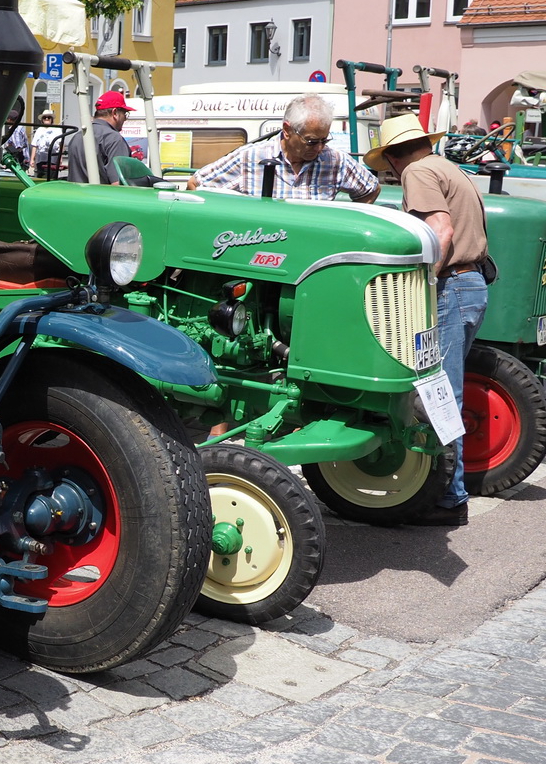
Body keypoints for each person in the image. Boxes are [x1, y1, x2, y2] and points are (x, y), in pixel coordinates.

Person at [370, 112, 491, 527]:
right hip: (471, 284)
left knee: (440, 395)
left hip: (451, 287)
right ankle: (448, 490)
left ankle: (449, 498)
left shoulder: (417, 173)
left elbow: (441, 229)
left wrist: (422, 283)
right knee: (444, 391)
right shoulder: (447, 166)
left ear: (391, 158)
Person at [189, 94, 379, 202]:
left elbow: (371, 189)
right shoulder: (249, 157)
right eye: (312, 141)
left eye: (325, 140)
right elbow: (196, 185)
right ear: (287, 130)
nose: (320, 148)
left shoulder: (336, 161)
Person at [66, 90, 135, 184]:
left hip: (76, 196)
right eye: (125, 114)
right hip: (102, 197)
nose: (125, 119)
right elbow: (118, 184)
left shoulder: (78, 136)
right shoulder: (114, 139)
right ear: (115, 113)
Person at [31, 109, 65, 175]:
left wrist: (60, 158)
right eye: (44, 117)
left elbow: (61, 144)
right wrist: (32, 159)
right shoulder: (39, 130)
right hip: (40, 159)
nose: (46, 118)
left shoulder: (57, 129)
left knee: (52, 176)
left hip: (53, 159)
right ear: (42, 120)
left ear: (52, 119)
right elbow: (34, 145)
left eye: (49, 117)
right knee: (40, 176)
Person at [2, 96, 29, 167]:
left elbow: (18, 145)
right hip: (23, 155)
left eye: (7, 119)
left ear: (10, 120)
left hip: (18, 156)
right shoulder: (21, 128)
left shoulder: (15, 130)